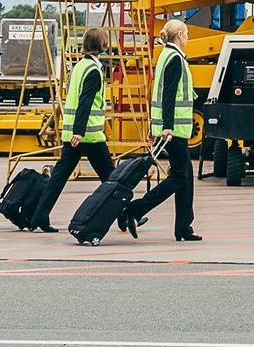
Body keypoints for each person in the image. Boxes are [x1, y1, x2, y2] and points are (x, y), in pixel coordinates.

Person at [26, 27, 115, 233]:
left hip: (73, 133)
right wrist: (80, 131)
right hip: (88, 135)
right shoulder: (94, 71)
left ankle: (39, 216)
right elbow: (85, 102)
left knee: (58, 177)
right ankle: (125, 216)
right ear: (102, 45)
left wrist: (74, 131)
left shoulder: (79, 67)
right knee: (111, 179)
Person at [126, 19, 201, 242]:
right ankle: (136, 210)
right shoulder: (175, 59)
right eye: (186, 33)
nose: (188, 37)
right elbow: (168, 97)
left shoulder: (166, 56)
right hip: (174, 130)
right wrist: (166, 127)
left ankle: (184, 227)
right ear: (179, 35)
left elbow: (158, 95)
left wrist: (155, 127)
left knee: (185, 177)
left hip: (173, 129)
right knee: (180, 177)